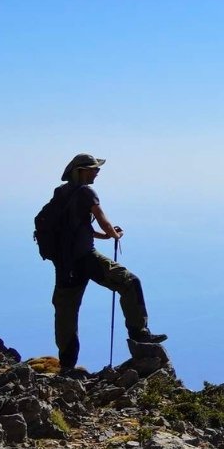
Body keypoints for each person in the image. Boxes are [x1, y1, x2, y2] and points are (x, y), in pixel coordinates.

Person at [46, 153, 165, 371]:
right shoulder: (85, 192)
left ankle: (67, 365)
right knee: (130, 282)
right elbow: (101, 218)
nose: (97, 172)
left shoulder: (61, 193)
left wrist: (104, 236)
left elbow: (75, 227)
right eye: (93, 168)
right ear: (80, 171)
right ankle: (140, 333)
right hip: (86, 258)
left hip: (64, 264)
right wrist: (114, 234)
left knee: (66, 313)